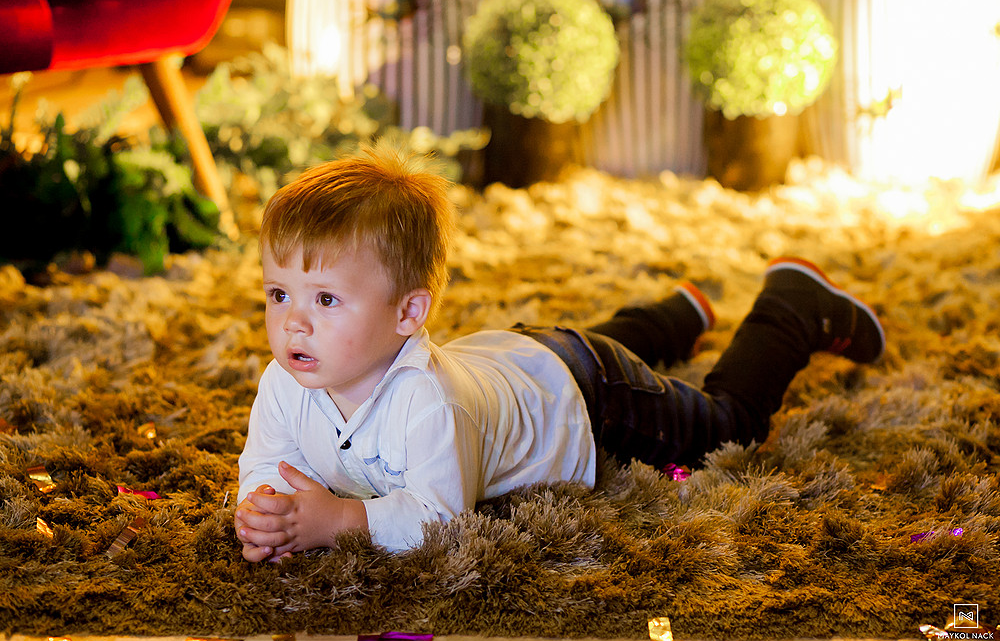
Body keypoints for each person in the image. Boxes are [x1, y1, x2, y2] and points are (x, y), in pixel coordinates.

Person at [234, 142, 885, 561]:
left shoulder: (426, 404)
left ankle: (791, 309)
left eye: (324, 300)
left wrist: (338, 520)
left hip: (584, 396)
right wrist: (268, 511)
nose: (292, 322)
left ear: (408, 313)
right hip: (516, 354)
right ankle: (673, 316)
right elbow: (266, 461)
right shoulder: (283, 383)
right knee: (593, 341)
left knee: (721, 425)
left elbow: (437, 521)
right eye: (278, 293)